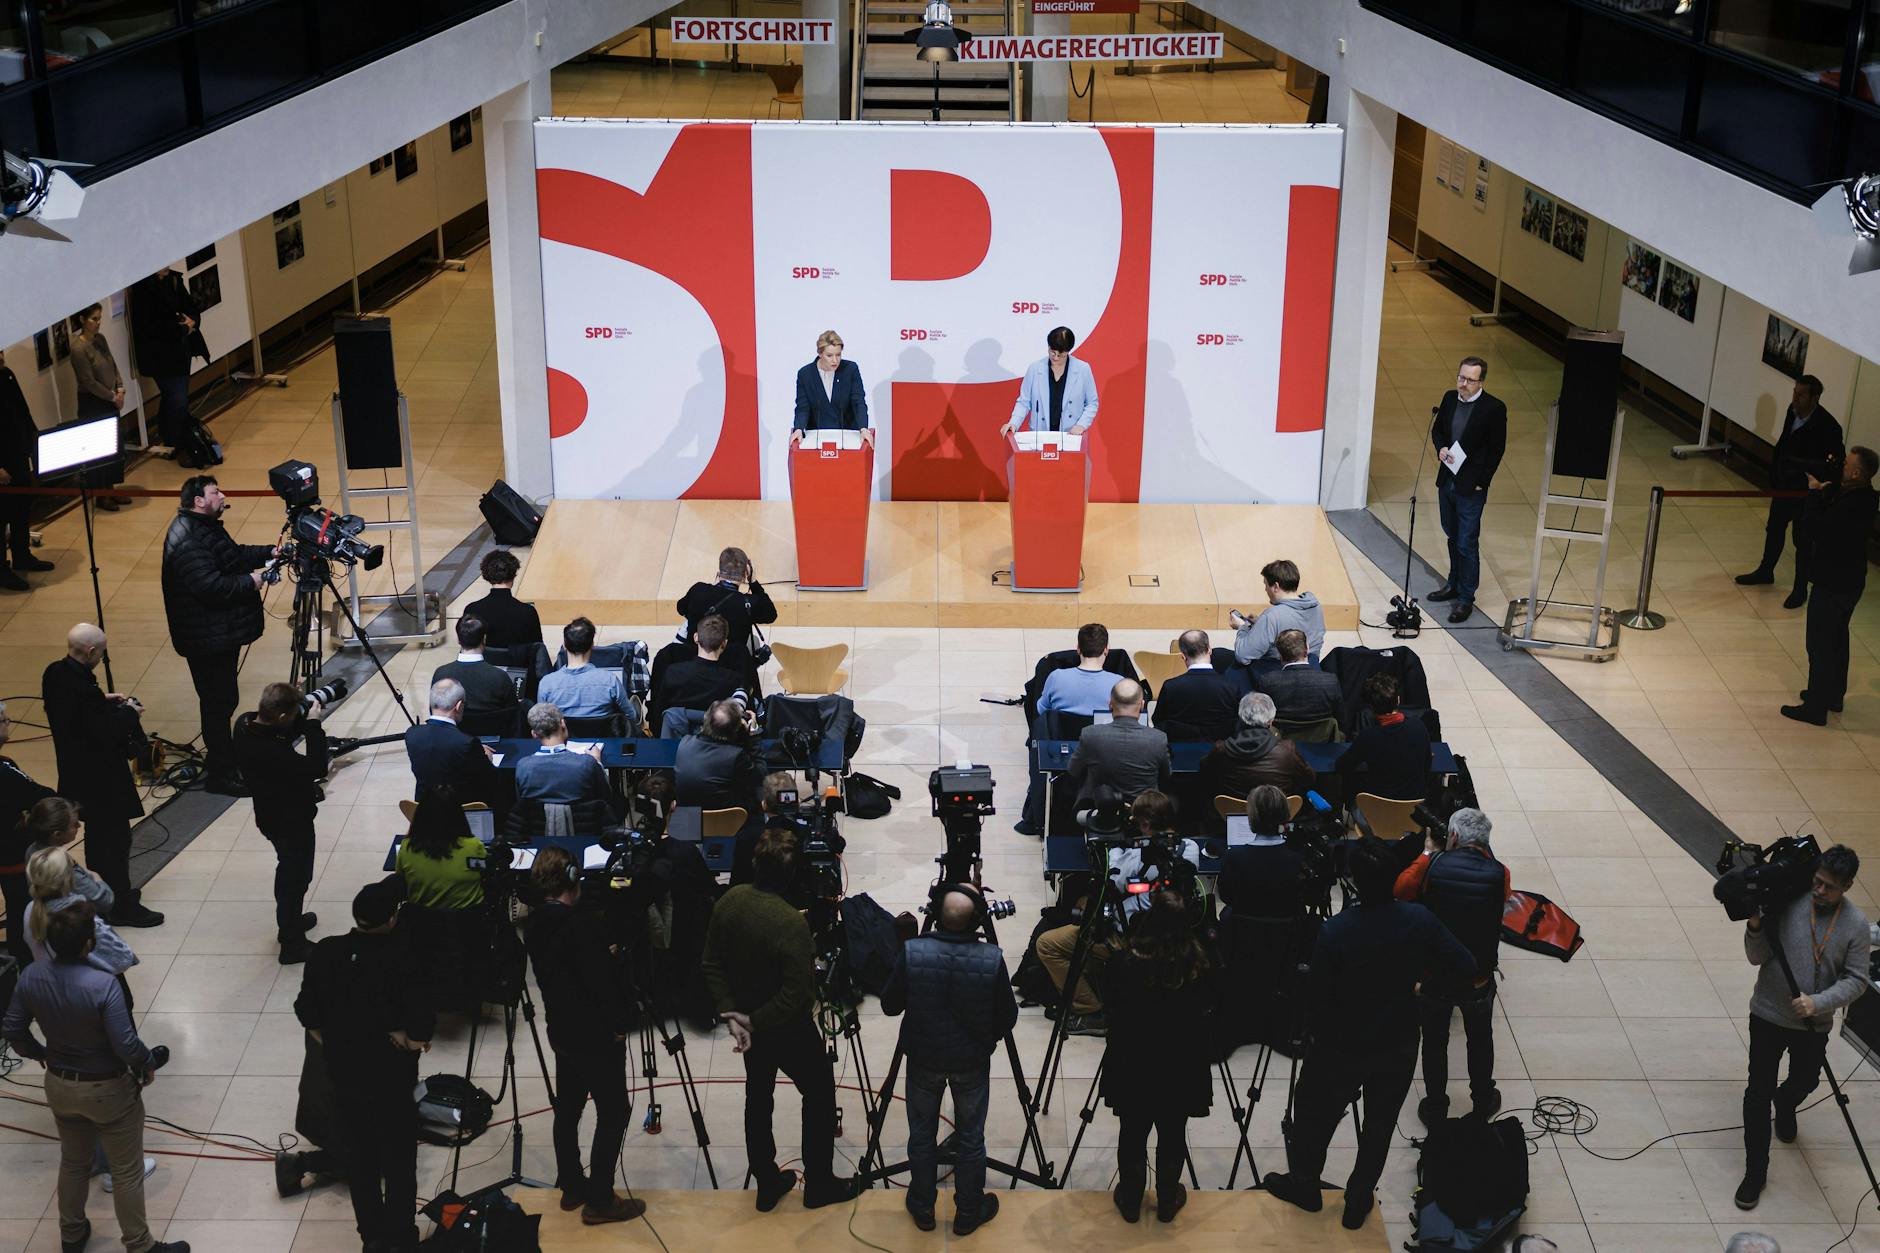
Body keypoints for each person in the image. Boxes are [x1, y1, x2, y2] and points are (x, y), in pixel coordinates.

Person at [1264, 839, 1475, 1231]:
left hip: (1339, 1046)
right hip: (1396, 1043)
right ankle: (1358, 1199)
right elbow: (1465, 963)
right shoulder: (1418, 919)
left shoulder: (1336, 930)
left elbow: (1317, 999)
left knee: (1313, 1119)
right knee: (1379, 1127)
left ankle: (1306, 1186)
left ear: (1353, 881)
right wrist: (1423, 987)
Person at [2, 904, 189, 1253]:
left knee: (73, 1162)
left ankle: (71, 1235)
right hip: (107, 1089)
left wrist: (40, 1054)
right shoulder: (103, 984)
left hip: (59, 1084)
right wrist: (147, 1063)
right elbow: (126, 1044)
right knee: (126, 1170)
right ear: (88, 943)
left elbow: (12, 1028)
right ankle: (140, 1244)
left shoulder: (31, 975)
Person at [701, 828, 859, 1212]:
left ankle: (767, 1182)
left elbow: (711, 963)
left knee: (758, 1099)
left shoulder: (730, 900)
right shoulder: (791, 923)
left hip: (748, 1023)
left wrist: (734, 1015)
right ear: (791, 875)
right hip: (784, 1027)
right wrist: (754, 1021)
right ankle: (819, 1182)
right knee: (819, 1094)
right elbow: (797, 996)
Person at [294, 876, 434, 1253]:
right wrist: (399, 1037)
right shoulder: (404, 959)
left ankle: (371, 1237)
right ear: (392, 919)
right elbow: (421, 1033)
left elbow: (307, 1013)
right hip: (393, 1082)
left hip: (346, 1079)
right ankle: (401, 1236)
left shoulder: (326, 953)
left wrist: (339, 1041)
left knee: (362, 1162)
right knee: (400, 1162)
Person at [1736, 844, 1869, 1210]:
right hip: (1766, 1014)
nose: (1819, 891)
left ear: (1847, 885)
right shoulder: (1790, 901)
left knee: (1806, 1081)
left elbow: (1857, 979)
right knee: (1756, 1094)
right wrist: (1755, 925)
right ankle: (1755, 1173)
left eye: (1829, 886)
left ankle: (1788, 1101)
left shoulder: (1855, 925)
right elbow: (1755, 956)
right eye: (1817, 881)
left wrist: (1819, 1002)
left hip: (1813, 1024)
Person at [880, 885, 1017, 1236]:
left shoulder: (913, 951)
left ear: (937, 916)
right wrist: (987, 1039)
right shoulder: (991, 958)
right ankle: (969, 1211)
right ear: (977, 922)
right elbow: (1008, 1017)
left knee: (921, 1135)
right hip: (971, 1063)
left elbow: (890, 1005)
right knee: (972, 1138)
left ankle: (922, 1206)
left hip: (924, 1059)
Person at [524, 847, 646, 1225]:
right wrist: (620, 1025)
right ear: (572, 880)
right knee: (614, 1111)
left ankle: (573, 1186)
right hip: (593, 1035)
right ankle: (600, 1199)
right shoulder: (580, 927)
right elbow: (602, 986)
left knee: (569, 1107)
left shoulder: (533, 925)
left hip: (561, 1029)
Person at [1036, 791, 1197, 1037]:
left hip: (1126, 939)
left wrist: (1116, 844)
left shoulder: (1135, 856)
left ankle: (1090, 1011)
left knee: (1048, 944)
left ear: (1144, 823)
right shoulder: (1190, 848)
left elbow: (1116, 880)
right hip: (1174, 940)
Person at [1100, 888, 1214, 1225]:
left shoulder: (1124, 962)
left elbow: (1111, 1006)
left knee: (1132, 1131)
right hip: (1180, 1064)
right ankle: (1166, 1200)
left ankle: (1132, 1199)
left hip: (1134, 1061)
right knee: (1173, 1132)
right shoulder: (1199, 964)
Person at [161, 474, 277, 796]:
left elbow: (232, 556)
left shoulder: (203, 528)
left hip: (213, 633)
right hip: (205, 638)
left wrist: (270, 551)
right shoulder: (187, 539)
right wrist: (252, 581)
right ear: (199, 501)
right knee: (217, 703)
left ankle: (224, 759)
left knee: (224, 699)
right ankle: (221, 773)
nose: (222, 495)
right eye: (215, 492)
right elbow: (209, 585)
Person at [43, 623, 162, 928]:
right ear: (92, 651)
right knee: (115, 840)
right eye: (101, 652)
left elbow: (75, 714)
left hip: (75, 772)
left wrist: (101, 701)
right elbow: (105, 734)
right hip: (102, 780)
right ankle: (122, 905)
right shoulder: (83, 690)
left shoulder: (55, 673)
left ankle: (106, 891)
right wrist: (130, 713)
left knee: (98, 835)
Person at [1395, 808, 1509, 1125]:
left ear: (1454, 837)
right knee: (1480, 1040)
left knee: (1434, 1042)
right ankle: (1483, 1100)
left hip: (1435, 975)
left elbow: (1401, 891)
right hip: (1478, 977)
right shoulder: (1501, 872)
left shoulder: (1432, 866)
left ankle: (1435, 1106)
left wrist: (1428, 852)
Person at [1781, 446, 1878, 725]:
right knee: (1836, 640)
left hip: (1833, 582)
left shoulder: (1850, 504)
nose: (1840, 466)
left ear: (1857, 472)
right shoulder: (1866, 497)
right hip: (1850, 581)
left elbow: (1815, 529)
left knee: (1820, 643)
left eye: (1846, 464)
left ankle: (1815, 706)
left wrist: (1813, 494)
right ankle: (1832, 694)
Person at [233, 682, 328, 963]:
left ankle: (292, 922)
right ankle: (292, 943)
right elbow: (317, 767)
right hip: (289, 820)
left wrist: (298, 715)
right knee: (295, 877)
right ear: (283, 717)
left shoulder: (244, 724)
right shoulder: (274, 753)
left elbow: (281, 730)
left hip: (269, 815)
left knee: (290, 871)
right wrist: (313, 726)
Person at [1738, 375, 1844, 609]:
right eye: (1794, 392)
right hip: (1784, 486)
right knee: (1774, 528)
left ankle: (1800, 589)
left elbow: (1831, 465)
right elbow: (1784, 444)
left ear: (1814, 397)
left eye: (1800, 394)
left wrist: (1802, 470)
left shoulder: (1829, 427)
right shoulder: (1791, 411)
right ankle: (1766, 570)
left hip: (1806, 494)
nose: (1794, 398)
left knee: (1803, 540)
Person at [1427, 356, 1508, 623]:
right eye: (1460, 377)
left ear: (1480, 382)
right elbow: (1438, 430)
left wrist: (1481, 481)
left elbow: (1497, 450)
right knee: (1451, 534)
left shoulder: (1493, 408)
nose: (1463, 384)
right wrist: (1440, 447)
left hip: (1471, 485)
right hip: (1448, 478)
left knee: (1466, 542)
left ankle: (1465, 598)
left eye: (1469, 380)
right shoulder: (1450, 398)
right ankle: (1453, 583)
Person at [130, 263, 209, 458]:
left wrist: (192, 322)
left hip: (180, 350)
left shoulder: (174, 280)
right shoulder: (142, 290)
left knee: (173, 396)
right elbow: (147, 327)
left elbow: (191, 308)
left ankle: (170, 437)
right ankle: (176, 440)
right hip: (160, 355)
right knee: (177, 397)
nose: (167, 265)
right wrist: (182, 328)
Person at [1198, 692, 1316, 820]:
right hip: (1276, 816)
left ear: (1241, 718)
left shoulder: (1221, 750)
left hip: (1232, 816)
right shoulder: (1287, 750)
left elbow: (1205, 775)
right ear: (1271, 721)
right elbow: (1309, 779)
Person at [677, 547, 776, 695]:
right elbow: (771, 614)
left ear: (718, 572)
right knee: (753, 641)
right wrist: (754, 583)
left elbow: (681, 608)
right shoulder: (747, 603)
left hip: (695, 656)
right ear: (744, 576)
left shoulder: (698, 590)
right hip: (731, 665)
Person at [0, 713, 58, 965]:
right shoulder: (4, 769)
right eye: (3, 719)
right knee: (21, 905)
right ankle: (24, 957)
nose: (8, 721)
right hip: (11, 856)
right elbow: (41, 796)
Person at [1065, 679, 1170, 809]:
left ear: (1110, 704)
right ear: (1142, 705)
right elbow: (1166, 776)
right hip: (1144, 814)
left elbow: (1073, 771)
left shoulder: (1090, 735)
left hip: (1100, 812)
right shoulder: (1158, 739)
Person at [1217, 786, 1310, 919]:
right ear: (1286, 814)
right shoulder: (1299, 856)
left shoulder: (1232, 856)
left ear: (1251, 817)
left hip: (1246, 933)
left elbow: (1226, 897)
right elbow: (1305, 896)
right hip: (1288, 934)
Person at [0, 343, 52, 575]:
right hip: (2, 462)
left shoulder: (7, 375)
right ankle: (1, 570)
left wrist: (34, 440)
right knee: (2, 517)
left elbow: (23, 411)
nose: (1, 357)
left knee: (22, 508)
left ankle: (22, 556)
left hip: (18, 453)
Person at [404, 678, 500, 803]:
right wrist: (485, 756)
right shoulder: (466, 743)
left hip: (423, 810)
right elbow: (488, 778)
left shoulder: (411, 734)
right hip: (459, 812)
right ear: (459, 706)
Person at [1339, 674, 1432, 800]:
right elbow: (1427, 762)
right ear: (1398, 700)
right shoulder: (1418, 726)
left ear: (1371, 707)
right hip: (1414, 810)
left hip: (1377, 811)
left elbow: (1342, 765)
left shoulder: (1368, 737)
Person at [538, 616, 638, 731]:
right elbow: (632, 716)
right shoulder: (609, 680)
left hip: (564, 743)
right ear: (592, 645)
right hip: (604, 742)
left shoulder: (547, 684)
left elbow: (543, 722)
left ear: (564, 645)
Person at [650, 614, 748, 731]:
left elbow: (659, 713)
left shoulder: (674, 673)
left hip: (675, 740)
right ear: (724, 643)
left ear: (696, 637)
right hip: (716, 741)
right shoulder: (734, 681)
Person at [675, 699, 766, 819]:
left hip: (687, 823)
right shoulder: (736, 756)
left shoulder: (684, 744)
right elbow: (761, 775)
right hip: (730, 825)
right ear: (735, 730)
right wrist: (753, 734)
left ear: (706, 721)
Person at [1000, 326, 1098, 437]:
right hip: (1040, 436)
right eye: (1052, 352)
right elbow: (1024, 402)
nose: (1055, 357)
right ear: (1048, 346)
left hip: (1070, 436)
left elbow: (1092, 403)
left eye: (1060, 355)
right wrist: (1014, 423)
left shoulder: (1082, 369)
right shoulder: (1035, 368)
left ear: (1068, 351)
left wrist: (1082, 425)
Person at [394, 792, 486, 910]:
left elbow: (400, 880)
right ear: (459, 816)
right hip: (466, 921)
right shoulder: (475, 845)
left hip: (421, 920)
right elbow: (484, 874)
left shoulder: (407, 847)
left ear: (420, 817)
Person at [514, 701, 613, 811]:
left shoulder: (523, 767)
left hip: (539, 827)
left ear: (534, 734)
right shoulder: (587, 763)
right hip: (582, 826)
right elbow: (606, 797)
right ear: (563, 724)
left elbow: (522, 804)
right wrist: (597, 762)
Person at [429, 616, 520, 735]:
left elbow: (434, 712)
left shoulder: (441, 674)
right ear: (484, 639)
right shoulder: (499, 676)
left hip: (454, 736)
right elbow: (512, 714)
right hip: (493, 737)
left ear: (459, 640)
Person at [1150, 629, 1242, 742]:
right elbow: (1238, 725)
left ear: (1183, 656)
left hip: (1179, 754)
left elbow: (1158, 721)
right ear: (1209, 650)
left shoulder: (1171, 687)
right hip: (1220, 755)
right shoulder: (1231, 687)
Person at [1231, 559, 1325, 669]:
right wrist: (1259, 623)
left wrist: (1243, 627)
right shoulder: (1315, 606)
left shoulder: (1271, 616)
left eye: (1266, 585)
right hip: (1312, 668)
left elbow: (1242, 656)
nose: (1265, 589)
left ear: (1276, 586)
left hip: (1278, 671)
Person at [791, 330, 872, 446]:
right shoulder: (805, 374)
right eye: (829, 356)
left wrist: (864, 428)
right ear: (820, 354)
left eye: (838, 355)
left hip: (847, 436)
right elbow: (803, 407)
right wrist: (798, 428)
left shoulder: (850, 369)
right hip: (817, 438)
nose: (835, 360)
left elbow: (858, 402)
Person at [1254, 629, 1342, 727]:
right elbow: (1340, 716)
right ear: (1307, 649)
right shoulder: (1330, 681)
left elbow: (1261, 717)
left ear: (1280, 655)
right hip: (1322, 738)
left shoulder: (1267, 681)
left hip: (1280, 737)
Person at [463, 549, 543, 648]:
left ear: (487, 576)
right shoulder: (528, 612)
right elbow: (537, 648)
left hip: (485, 662)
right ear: (513, 576)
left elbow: (468, 647)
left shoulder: (472, 610)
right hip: (518, 662)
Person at [1039, 622, 1120, 718]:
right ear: (1106, 650)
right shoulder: (1120, 684)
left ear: (1078, 649)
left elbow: (1042, 711)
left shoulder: (1056, 677)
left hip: (1063, 733)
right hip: (1104, 733)